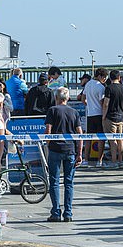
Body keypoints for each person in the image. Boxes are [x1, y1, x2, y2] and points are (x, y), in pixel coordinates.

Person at [45, 87, 83, 222]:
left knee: (54, 182)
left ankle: (55, 212)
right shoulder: (74, 112)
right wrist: (80, 152)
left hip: (55, 149)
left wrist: (48, 145)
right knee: (69, 183)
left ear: (56, 98)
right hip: (70, 150)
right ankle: (68, 213)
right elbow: (80, 134)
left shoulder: (52, 110)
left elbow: (48, 131)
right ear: (67, 98)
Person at [82, 68, 108, 167]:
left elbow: (83, 99)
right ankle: (99, 161)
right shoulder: (101, 87)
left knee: (89, 138)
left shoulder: (88, 84)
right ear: (100, 76)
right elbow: (102, 103)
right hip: (99, 114)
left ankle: (85, 160)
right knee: (101, 138)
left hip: (90, 114)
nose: (105, 79)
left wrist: (89, 105)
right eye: (104, 77)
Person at [102, 70, 123, 169]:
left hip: (111, 117)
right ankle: (120, 160)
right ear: (119, 78)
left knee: (112, 140)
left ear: (110, 78)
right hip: (120, 116)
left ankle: (114, 161)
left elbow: (106, 104)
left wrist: (103, 116)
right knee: (120, 139)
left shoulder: (109, 88)